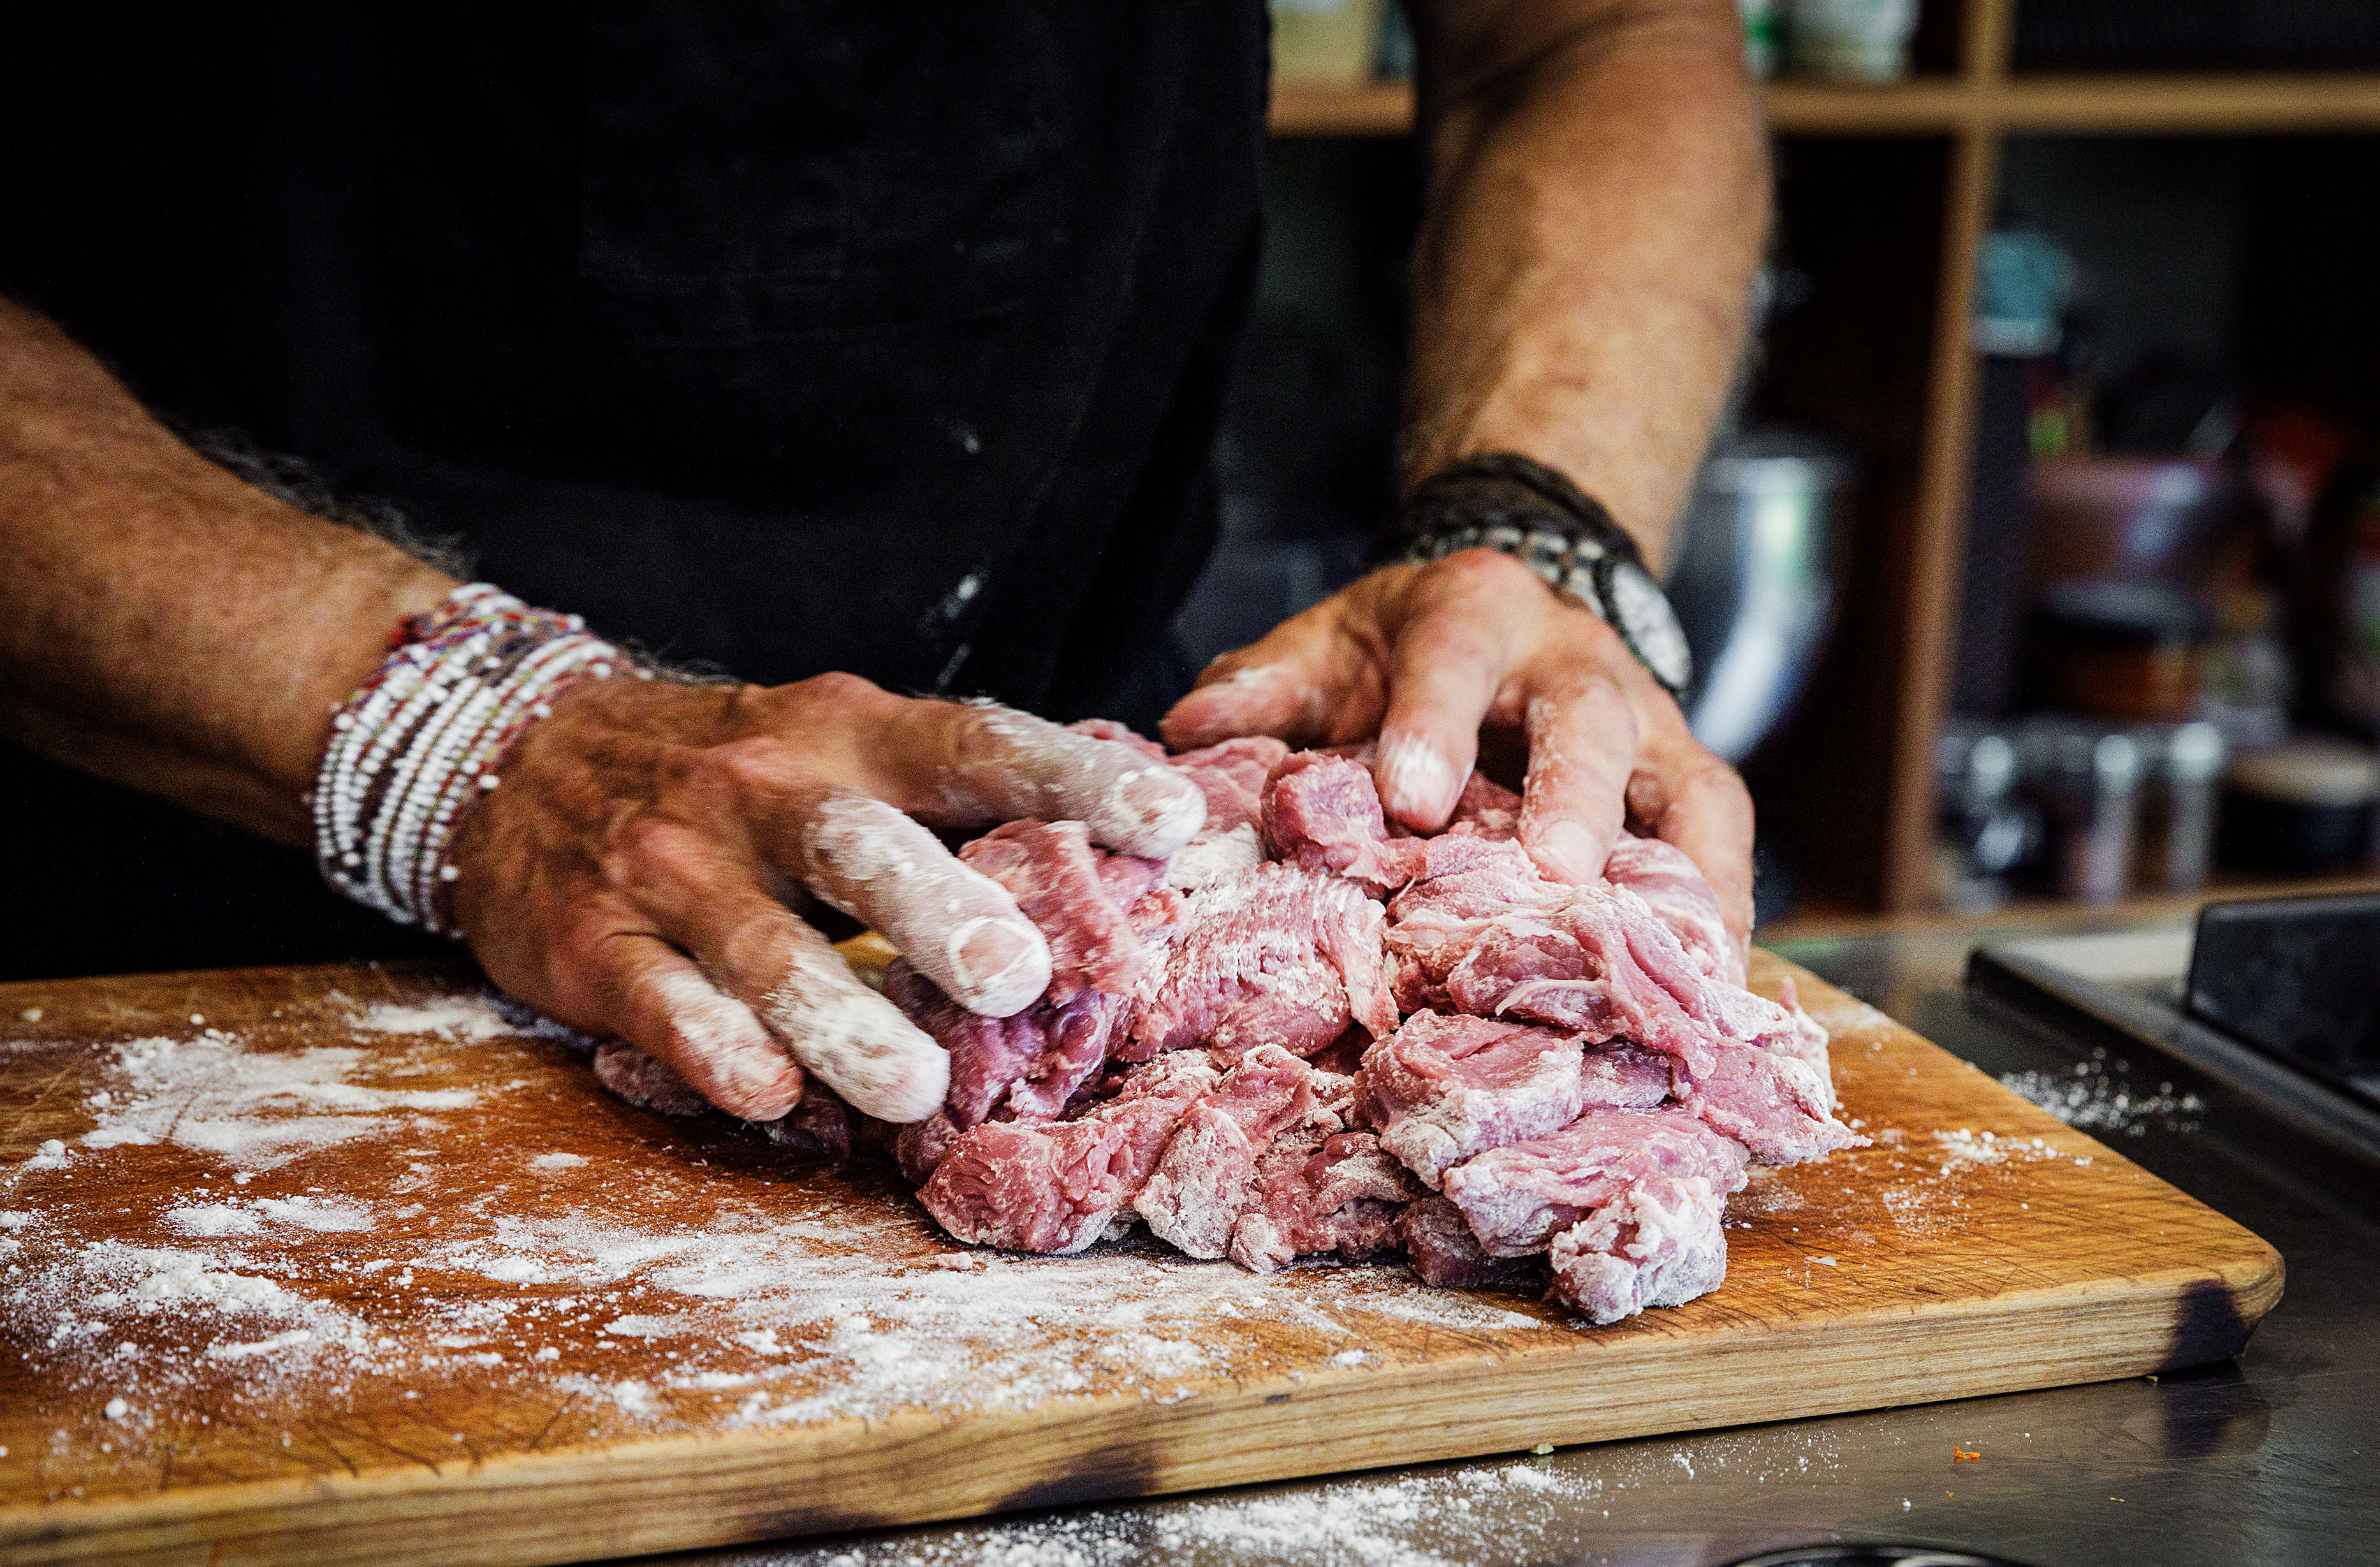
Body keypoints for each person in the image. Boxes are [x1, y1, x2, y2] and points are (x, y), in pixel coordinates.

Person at [0, 1, 1767, 1124]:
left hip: (1050, 898)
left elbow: (1590, 35)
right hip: (183, 919)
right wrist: (464, 743)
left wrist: (1535, 514)